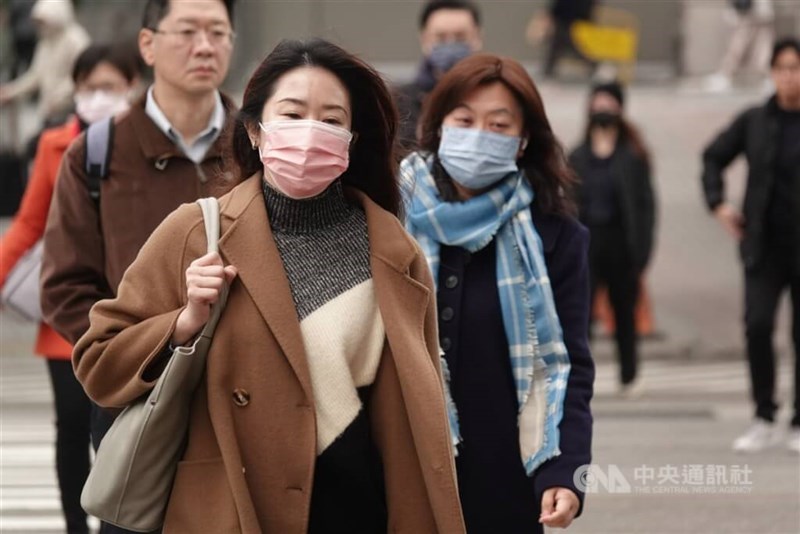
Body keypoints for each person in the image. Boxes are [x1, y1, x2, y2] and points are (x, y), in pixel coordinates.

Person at [72, 38, 466, 533]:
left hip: (354, 507)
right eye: (293, 113)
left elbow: (414, 411)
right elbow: (98, 362)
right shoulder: (195, 233)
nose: (311, 133)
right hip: (229, 507)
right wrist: (181, 323)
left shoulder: (394, 252)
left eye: (331, 120)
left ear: (352, 138)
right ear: (256, 131)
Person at [41, 0, 238, 531]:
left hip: (243, 399)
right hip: (136, 400)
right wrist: (136, 352)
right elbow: (65, 287)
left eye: (218, 32)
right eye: (189, 31)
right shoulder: (97, 152)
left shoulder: (259, 148)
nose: (205, 46)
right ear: (148, 44)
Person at [401, 53, 594, 533]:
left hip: (505, 480)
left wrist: (563, 470)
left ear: (524, 140)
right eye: (464, 120)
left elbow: (567, 364)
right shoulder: (388, 215)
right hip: (401, 472)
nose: (478, 136)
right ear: (439, 125)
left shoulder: (557, 236)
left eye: (499, 124)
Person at [0, 42, 141, 534]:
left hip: (130, 316)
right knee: (72, 427)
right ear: (75, 90)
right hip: (67, 317)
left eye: (110, 86)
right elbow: (28, 224)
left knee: (119, 433)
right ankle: (76, 526)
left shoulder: (144, 144)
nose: (99, 97)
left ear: (133, 87)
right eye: (89, 87)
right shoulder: (54, 144)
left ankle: (112, 524)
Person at [701, 37, 800, 454]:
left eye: (796, 67)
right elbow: (713, 156)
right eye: (782, 68)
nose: (789, 76)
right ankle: (764, 415)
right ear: (771, 72)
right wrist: (719, 204)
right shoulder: (755, 120)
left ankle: (798, 422)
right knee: (758, 326)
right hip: (763, 247)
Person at [569, 81, 656, 397]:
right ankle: (583, 376)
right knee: (582, 313)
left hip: (621, 244)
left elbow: (646, 205)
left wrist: (643, 251)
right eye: (598, 103)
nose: (603, 110)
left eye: (610, 104)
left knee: (624, 312)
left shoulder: (632, 156)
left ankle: (629, 375)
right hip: (587, 244)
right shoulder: (577, 155)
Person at [395, 0, 482, 151]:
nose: (450, 44)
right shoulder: (399, 101)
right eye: (441, 37)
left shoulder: (496, 96)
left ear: (477, 38)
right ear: (424, 39)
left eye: (460, 37)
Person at [0, 0, 90, 125]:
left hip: (71, 111)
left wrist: (61, 97)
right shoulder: (45, 43)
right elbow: (36, 75)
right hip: (49, 111)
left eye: (43, 21)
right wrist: (10, 92)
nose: (40, 26)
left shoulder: (76, 40)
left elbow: (84, 74)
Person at [703, 0, 775, 93]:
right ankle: (726, 75)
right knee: (756, 45)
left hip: (751, 12)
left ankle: (726, 75)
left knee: (746, 44)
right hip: (752, 12)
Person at [543, 0, 596, 79]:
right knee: (562, 45)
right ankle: (548, 68)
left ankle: (592, 64)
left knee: (572, 45)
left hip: (573, 21)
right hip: (570, 20)